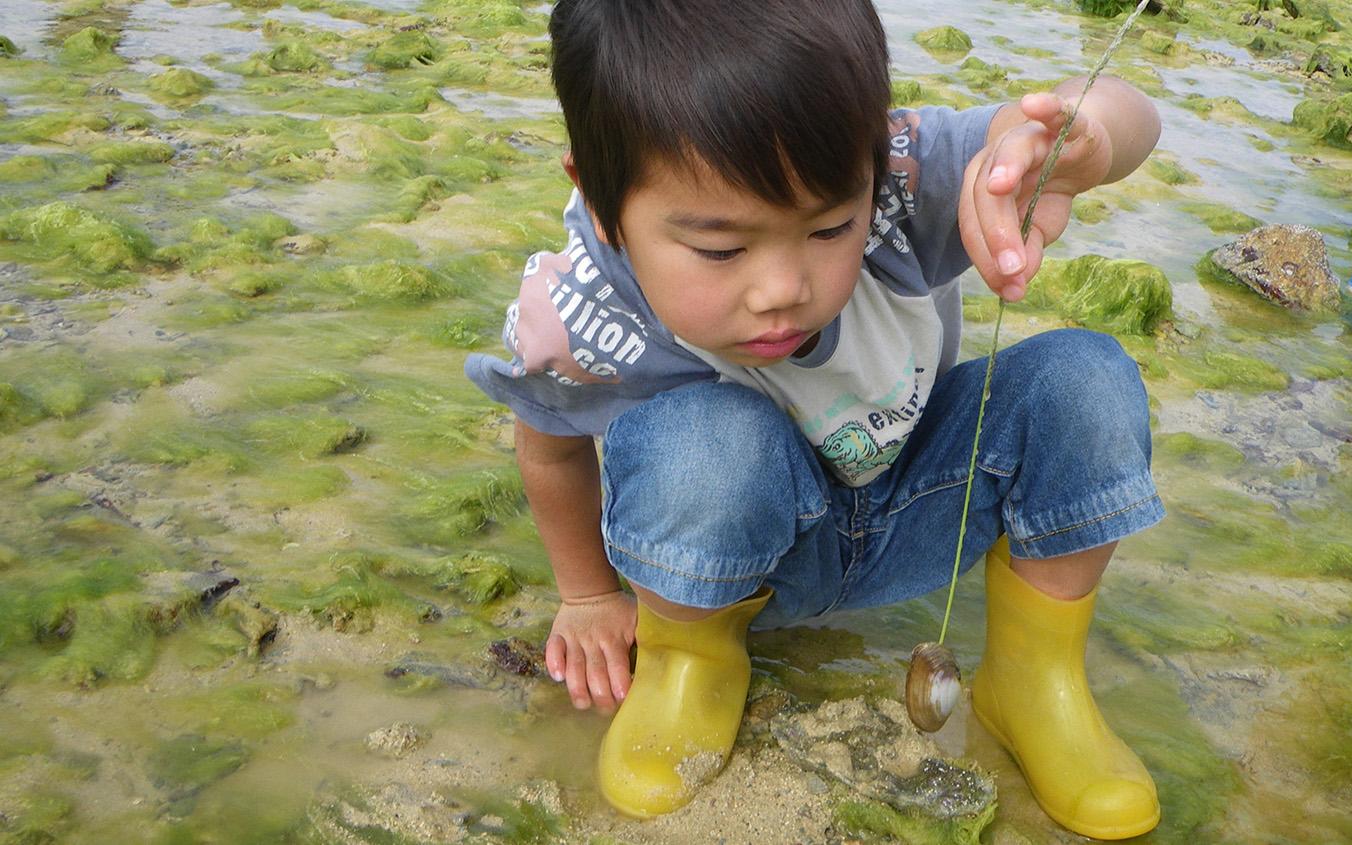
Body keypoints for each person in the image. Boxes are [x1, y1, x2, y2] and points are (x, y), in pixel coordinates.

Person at [465, 0, 1165, 838]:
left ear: (872, 159)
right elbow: (549, 443)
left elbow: (1124, 112)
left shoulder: (899, 182)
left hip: (919, 501)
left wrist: (1083, 135)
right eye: (722, 249)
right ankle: (691, 667)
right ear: (606, 203)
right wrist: (585, 594)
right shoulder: (585, 310)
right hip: (743, 569)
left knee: (1085, 377)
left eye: (831, 225)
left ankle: (1033, 678)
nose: (782, 288)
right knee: (703, 441)